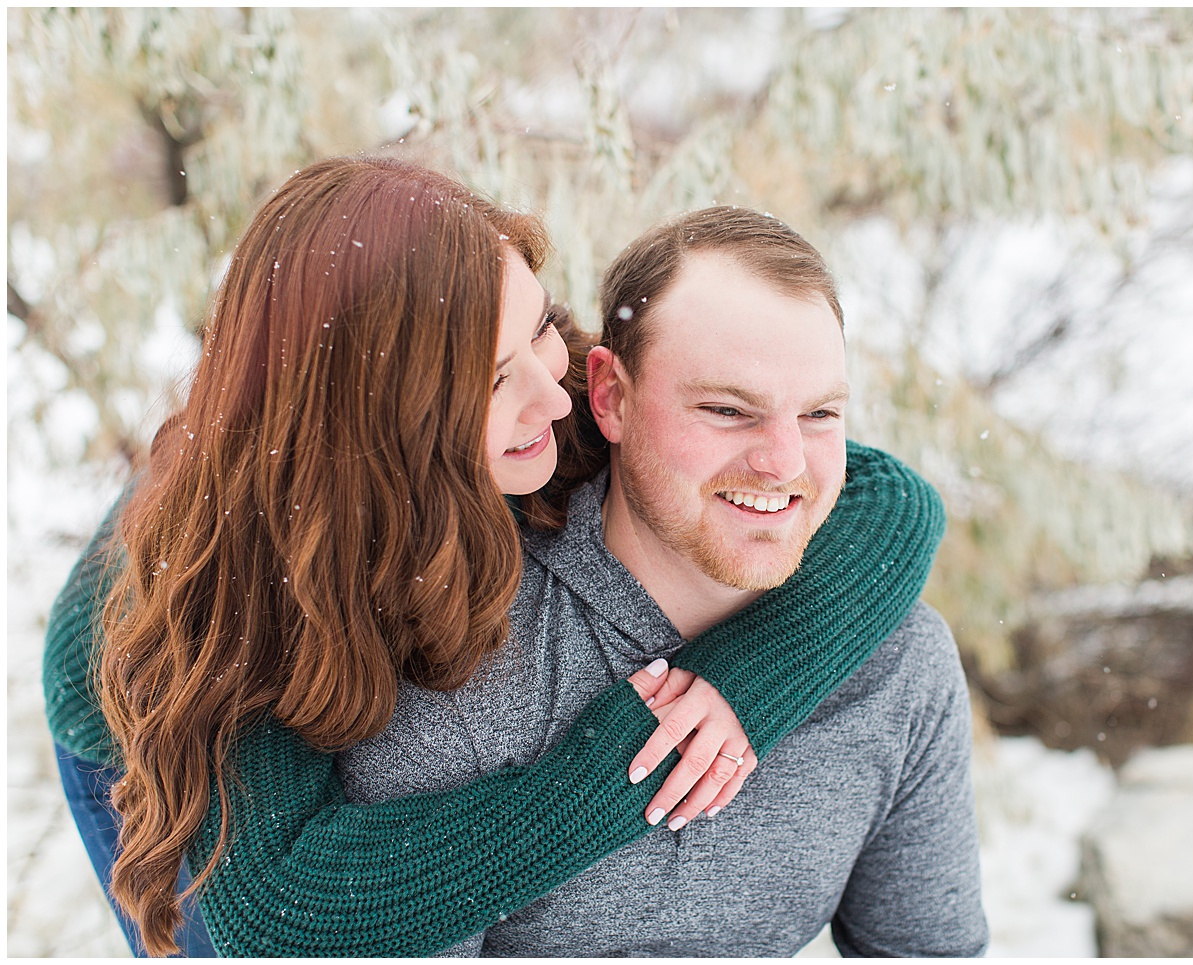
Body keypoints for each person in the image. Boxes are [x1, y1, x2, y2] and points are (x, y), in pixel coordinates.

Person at [42, 157, 949, 956]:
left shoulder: (559, 395)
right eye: (491, 378)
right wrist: (624, 769)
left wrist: (747, 684)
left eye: (541, 330)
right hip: (148, 718)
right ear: (386, 420)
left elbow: (888, 500)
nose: (551, 397)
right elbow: (282, 913)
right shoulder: (252, 591)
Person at [339, 205, 990, 955]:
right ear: (610, 396)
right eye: (726, 409)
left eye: (819, 413)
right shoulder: (461, 657)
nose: (783, 463)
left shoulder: (898, 663)